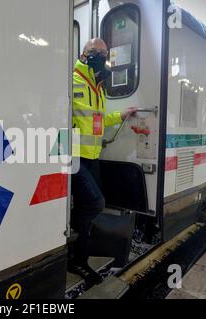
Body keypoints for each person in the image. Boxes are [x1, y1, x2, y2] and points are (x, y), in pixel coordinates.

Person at [69, 38, 137, 283]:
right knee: (96, 203)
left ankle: (80, 258)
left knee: (89, 207)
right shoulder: (71, 79)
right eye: (98, 52)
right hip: (72, 156)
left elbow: (98, 119)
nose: (103, 57)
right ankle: (72, 252)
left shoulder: (96, 86)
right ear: (85, 54)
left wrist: (121, 115)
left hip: (92, 157)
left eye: (105, 53)